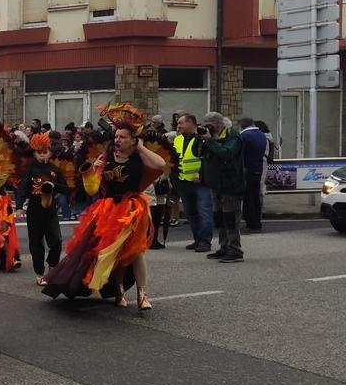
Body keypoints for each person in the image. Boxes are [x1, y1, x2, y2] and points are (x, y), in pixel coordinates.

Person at [42, 108, 167, 309]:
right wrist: (92, 170)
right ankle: (118, 291)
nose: (118, 140)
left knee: (136, 253)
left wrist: (141, 148)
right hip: (108, 210)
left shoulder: (138, 157)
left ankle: (142, 294)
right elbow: (92, 188)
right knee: (112, 252)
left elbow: (160, 165)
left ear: (132, 140)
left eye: (123, 137)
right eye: (116, 136)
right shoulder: (106, 157)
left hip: (133, 210)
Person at [16, 133, 67, 286]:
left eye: (45, 152)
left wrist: (54, 186)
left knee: (56, 241)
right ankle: (39, 273)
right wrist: (19, 207)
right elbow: (22, 188)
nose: (42, 155)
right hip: (34, 210)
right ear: (34, 153)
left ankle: (52, 266)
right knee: (36, 243)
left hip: (50, 210)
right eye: (39, 152)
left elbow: (65, 189)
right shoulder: (30, 169)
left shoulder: (55, 170)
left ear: (50, 152)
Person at [199, 112, 246, 263]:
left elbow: (226, 153)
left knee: (231, 218)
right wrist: (200, 139)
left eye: (210, 126)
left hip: (230, 184)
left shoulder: (233, 137)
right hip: (216, 185)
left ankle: (235, 250)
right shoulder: (212, 138)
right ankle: (224, 247)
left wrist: (210, 141)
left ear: (219, 124)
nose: (208, 129)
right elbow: (199, 154)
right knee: (221, 218)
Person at [173, 114, 213, 252]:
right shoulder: (177, 140)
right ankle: (198, 239)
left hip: (200, 183)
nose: (178, 126)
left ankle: (205, 242)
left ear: (191, 123)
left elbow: (208, 159)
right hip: (184, 182)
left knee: (204, 212)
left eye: (180, 123)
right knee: (191, 214)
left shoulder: (203, 138)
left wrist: (200, 173)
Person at [238, 117, 267, 233]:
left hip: (247, 169)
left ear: (242, 125)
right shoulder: (261, 134)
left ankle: (251, 223)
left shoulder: (244, 136)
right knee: (255, 197)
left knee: (248, 198)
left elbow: (239, 152)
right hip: (258, 168)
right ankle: (257, 221)